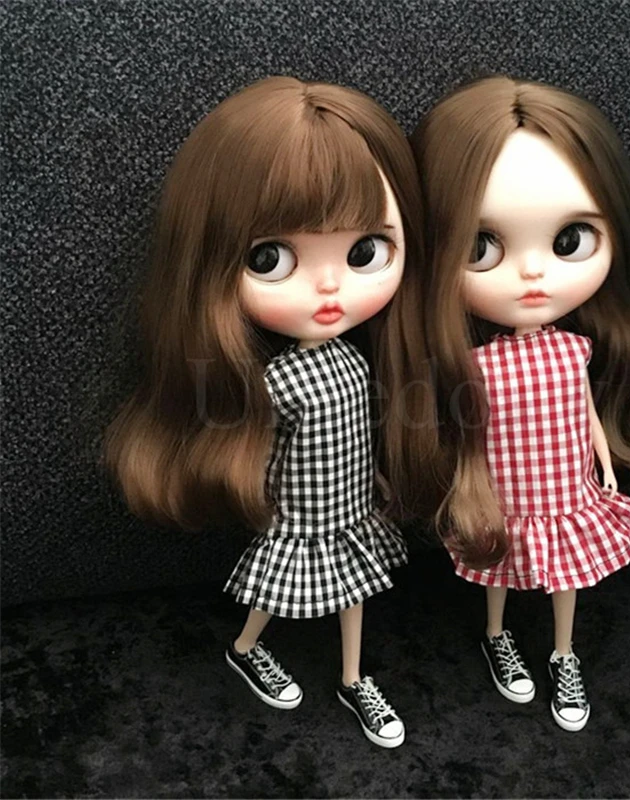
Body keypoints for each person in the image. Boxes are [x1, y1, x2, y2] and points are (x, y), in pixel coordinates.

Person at [104, 76, 428, 749]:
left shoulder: (357, 361)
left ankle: (354, 677)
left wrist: (375, 480)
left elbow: (358, 433)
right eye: (271, 258)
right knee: (271, 598)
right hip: (300, 516)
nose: (330, 286)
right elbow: (253, 442)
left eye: (364, 252)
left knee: (357, 592)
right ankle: (247, 648)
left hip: (352, 507)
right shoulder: (275, 381)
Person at [409, 75, 630, 731]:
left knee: (570, 576)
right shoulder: (476, 363)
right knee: (497, 569)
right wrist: (465, 477)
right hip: (505, 491)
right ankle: (497, 635)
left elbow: (584, 408)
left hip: (566, 489)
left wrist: (604, 460)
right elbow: (468, 427)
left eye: (568, 242)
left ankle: (564, 653)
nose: (533, 274)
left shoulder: (572, 349)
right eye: (481, 247)